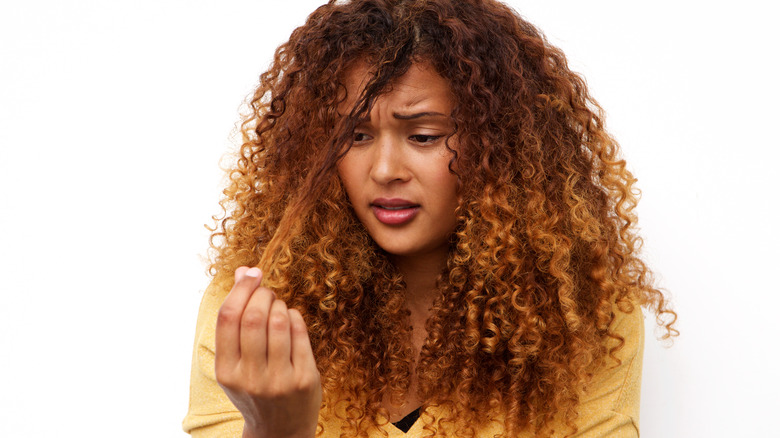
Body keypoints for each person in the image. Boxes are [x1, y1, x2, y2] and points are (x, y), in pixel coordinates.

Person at [183, 0, 677, 436]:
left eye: (423, 136)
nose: (384, 171)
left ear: (499, 147)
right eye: (354, 137)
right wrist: (275, 432)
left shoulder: (586, 318)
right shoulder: (252, 313)